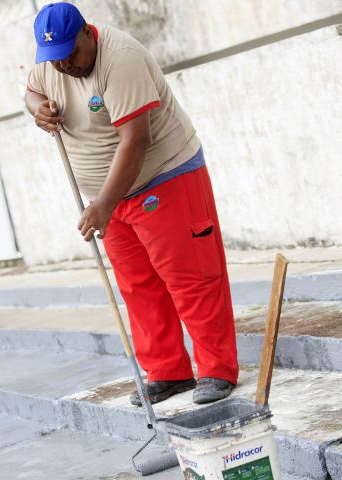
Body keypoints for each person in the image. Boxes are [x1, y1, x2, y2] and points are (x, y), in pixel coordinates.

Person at [24, 2, 238, 404]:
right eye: (55, 59)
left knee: (191, 278)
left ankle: (216, 369)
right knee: (139, 287)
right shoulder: (50, 65)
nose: (65, 65)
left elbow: (135, 141)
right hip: (109, 197)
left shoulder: (120, 59)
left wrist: (103, 204)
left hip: (164, 178)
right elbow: (32, 90)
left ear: (88, 33)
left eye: (71, 53)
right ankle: (168, 371)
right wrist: (39, 109)